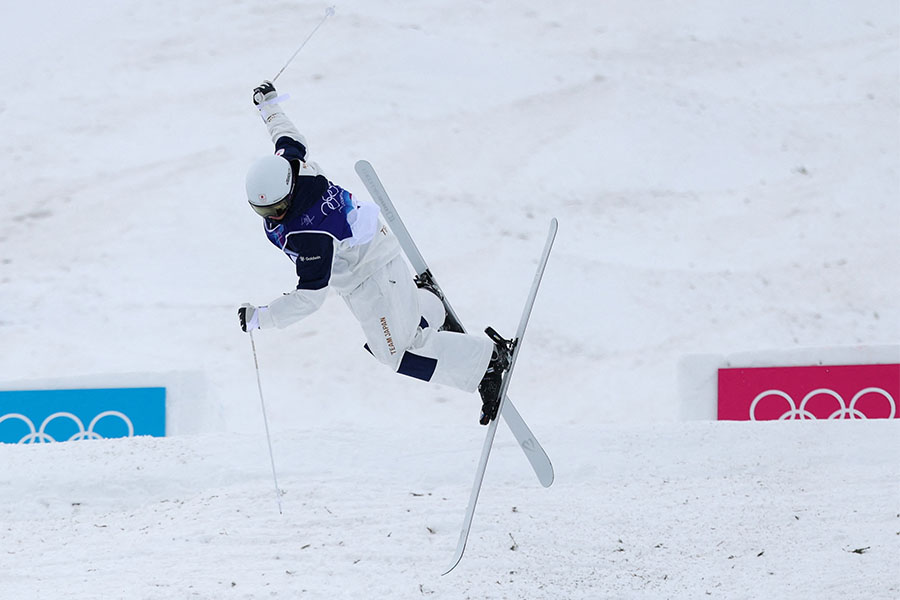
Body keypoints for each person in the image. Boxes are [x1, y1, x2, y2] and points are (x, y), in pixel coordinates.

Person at [238, 81, 510, 424]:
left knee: (398, 355)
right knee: (400, 341)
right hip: (372, 258)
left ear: (288, 191)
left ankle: (487, 362)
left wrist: (263, 317)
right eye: (264, 211)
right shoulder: (291, 165)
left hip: (370, 278)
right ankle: (430, 305)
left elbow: (309, 298)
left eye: (278, 207)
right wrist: (269, 107)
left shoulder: (309, 235)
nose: (274, 216)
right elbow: (288, 137)